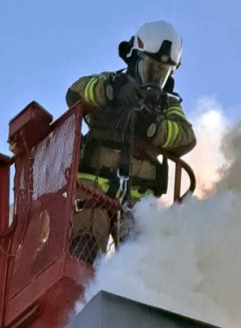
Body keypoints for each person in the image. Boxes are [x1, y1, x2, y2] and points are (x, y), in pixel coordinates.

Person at [65, 20, 197, 263]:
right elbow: (76, 92)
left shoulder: (168, 105)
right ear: (135, 60)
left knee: (142, 260)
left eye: (162, 71)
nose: (155, 76)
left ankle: (132, 292)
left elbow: (186, 137)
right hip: (93, 190)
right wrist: (112, 91)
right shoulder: (110, 81)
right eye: (150, 68)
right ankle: (76, 288)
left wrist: (153, 127)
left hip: (138, 204)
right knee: (87, 237)